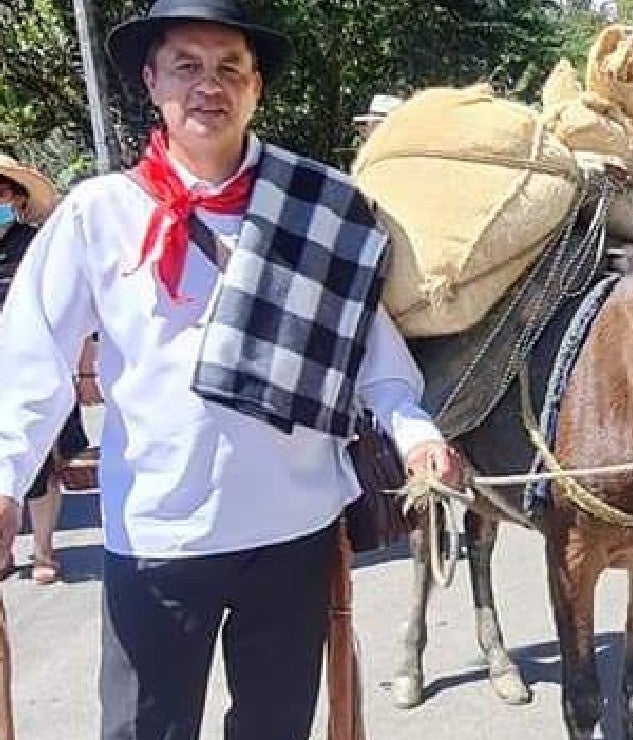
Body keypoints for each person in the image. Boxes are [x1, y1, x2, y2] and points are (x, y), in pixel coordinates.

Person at [0, 1, 463, 738]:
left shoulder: (318, 208)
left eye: (229, 68)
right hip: (157, 536)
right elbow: (32, 360)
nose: (208, 85)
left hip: (293, 532)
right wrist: (5, 482)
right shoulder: (99, 212)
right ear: (151, 81)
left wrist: (417, 435)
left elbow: (372, 353)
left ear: (255, 87)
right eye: (186, 65)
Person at [0, 154, 99, 585]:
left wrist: (85, 370)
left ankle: (43, 549)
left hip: (34, 370)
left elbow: (75, 311)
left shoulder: (38, 247)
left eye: (1, 190)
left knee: (40, 462)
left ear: (17, 198)